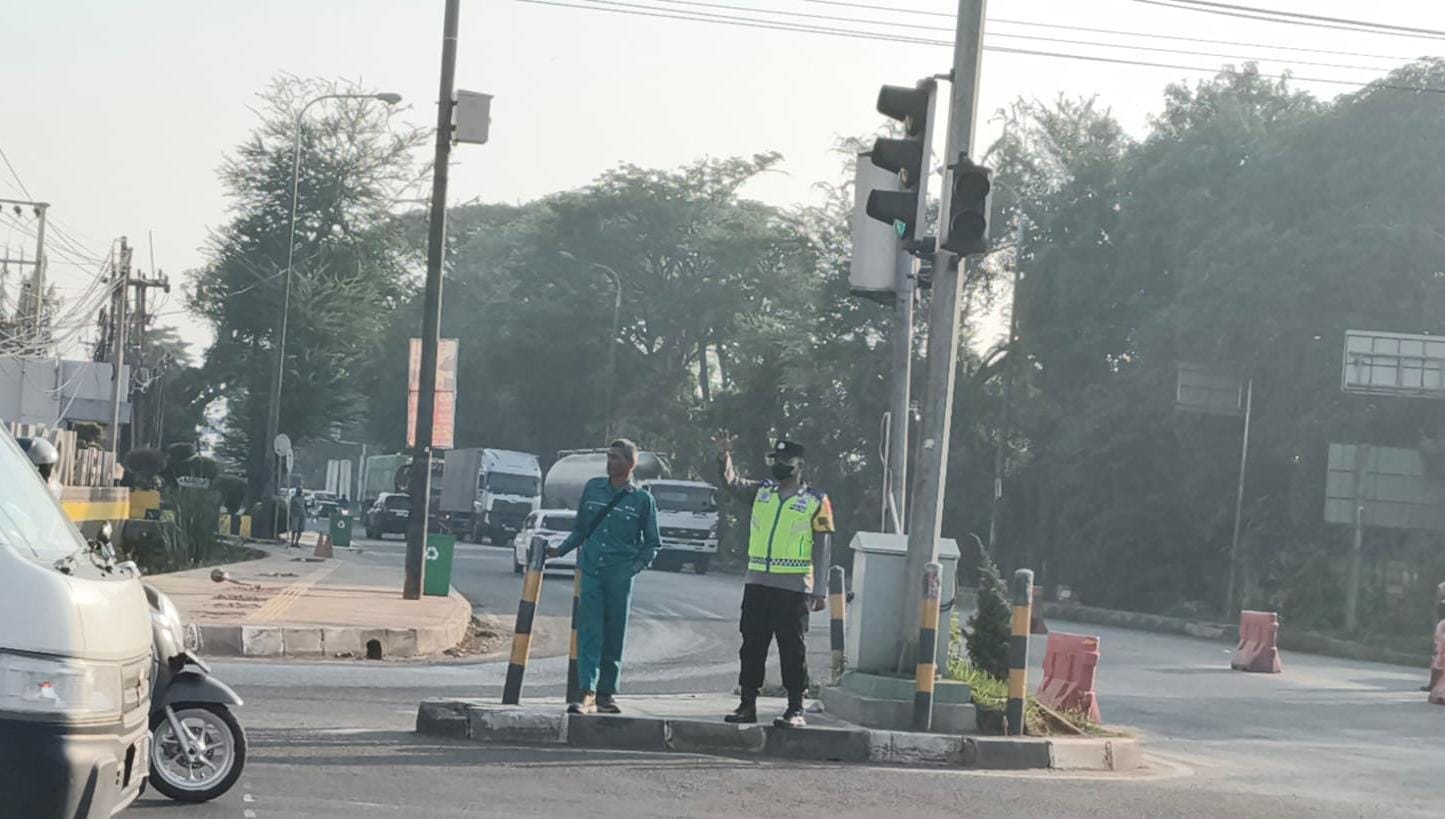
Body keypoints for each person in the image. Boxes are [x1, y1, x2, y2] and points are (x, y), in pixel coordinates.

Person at [714, 432, 833, 728]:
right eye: (775, 459)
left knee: (792, 648)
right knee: (752, 646)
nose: (779, 464)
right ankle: (747, 704)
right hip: (758, 582)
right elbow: (731, 483)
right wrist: (725, 456)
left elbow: (822, 547)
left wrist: (819, 590)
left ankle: (795, 708)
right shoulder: (762, 492)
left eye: (785, 460)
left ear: (799, 465)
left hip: (793, 587)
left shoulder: (816, 500)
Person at [549, 439, 661, 716]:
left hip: (619, 575)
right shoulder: (593, 488)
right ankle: (586, 691)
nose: (610, 462)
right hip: (592, 571)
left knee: (614, 633)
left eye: (616, 458)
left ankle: (606, 694)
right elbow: (581, 529)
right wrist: (560, 550)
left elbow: (652, 543)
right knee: (589, 631)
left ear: (630, 464)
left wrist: (633, 568)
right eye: (608, 457)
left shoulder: (642, 500)